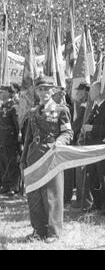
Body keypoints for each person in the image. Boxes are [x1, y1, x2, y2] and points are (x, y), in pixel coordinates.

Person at [20, 76, 73, 243]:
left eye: (46, 89)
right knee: (34, 193)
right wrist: (23, 159)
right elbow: (28, 137)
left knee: (52, 194)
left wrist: (58, 143)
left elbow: (67, 133)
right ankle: (38, 229)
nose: (43, 92)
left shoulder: (61, 110)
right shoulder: (33, 112)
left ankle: (53, 232)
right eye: (40, 89)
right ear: (36, 91)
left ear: (53, 91)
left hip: (51, 155)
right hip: (34, 156)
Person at [82, 82, 105, 215]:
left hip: (104, 148)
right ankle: (96, 203)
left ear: (99, 91)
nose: (90, 93)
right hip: (93, 148)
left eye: (92, 91)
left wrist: (93, 128)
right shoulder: (95, 107)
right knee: (94, 176)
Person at [71, 82, 92, 210]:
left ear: (85, 91)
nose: (77, 93)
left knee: (82, 172)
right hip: (79, 141)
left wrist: (69, 134)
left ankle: (84, 201)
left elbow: (77, 125)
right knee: (80, 173)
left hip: (82, 141)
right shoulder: (82, 105)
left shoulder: (85, 106)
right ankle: (81, 199)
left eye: (79, 90)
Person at [0, 84, 21, 196]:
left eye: (2, 91)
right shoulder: (3, 106)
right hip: (2, 139)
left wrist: (19, 138)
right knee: (3, 163)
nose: (0, 94)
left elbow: (17, 125)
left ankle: (13, 186)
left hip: (11, 140)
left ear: (9, 93)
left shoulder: (13, 106)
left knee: (11, 162)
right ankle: (6, 185)